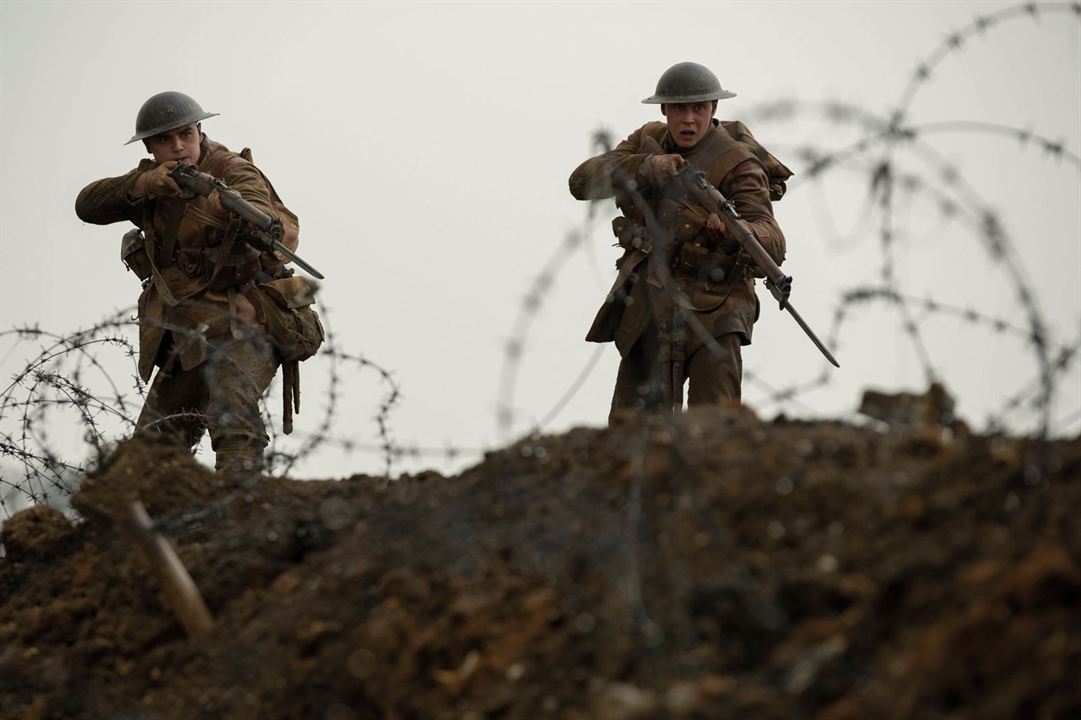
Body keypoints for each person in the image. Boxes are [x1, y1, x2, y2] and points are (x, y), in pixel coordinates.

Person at [75, 91, 314, 472]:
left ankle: (238, 501)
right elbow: (86, 205)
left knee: (230, 405)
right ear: (151, 147)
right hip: (189, 333)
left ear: (200, 131)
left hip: (247, 319)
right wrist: (144, 185)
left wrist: (229, 208)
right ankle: (164, 523)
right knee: (152, 452)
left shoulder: (233, 170)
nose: (179, 147)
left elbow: (267, 221)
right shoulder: (155, 181)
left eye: (186, 134)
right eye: (165, 140)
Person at [568, 62, 793, 422]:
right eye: (679, 109)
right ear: (665, 110)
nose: (689, 119)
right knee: (632, 431)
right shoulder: (646, 141)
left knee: (712, 426)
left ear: (713, 110)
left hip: (717, 305)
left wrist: (736, 233)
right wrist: (645, 167)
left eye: (698, 108)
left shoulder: (738, 162)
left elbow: (772, 239)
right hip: (652, 300)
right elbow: (581, 182)